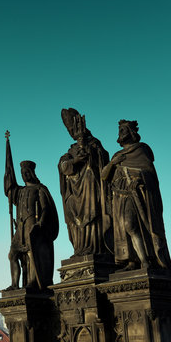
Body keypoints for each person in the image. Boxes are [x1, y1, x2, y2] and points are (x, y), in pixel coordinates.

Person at [102, 120, 171, 271]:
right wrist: (112, 163)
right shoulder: (117, 155)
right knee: (123, 229)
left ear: (131, 133)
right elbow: (104, 176)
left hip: (135, 195)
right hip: (119, 197)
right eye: (119, 131)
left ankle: (146, 261)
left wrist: (139, 179)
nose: (120, 134)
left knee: (131, 225)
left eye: (123, 130)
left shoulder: (142, 150)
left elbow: (149, 172)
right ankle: (132, 261)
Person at [58, 108, 111, 256]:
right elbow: (63, 167)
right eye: (69, 129)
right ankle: (80, 248)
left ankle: (95, 248)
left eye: (73, 127)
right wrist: (73, 161)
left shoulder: (95, 144)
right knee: (75, 220)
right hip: (75, 194)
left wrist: (87, 150)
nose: (71, 131)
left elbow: (102, 160)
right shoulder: (70, 151)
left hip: (91, 190)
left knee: (92, 217)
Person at [4, 159, 59, 291]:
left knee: (32, 254)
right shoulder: (20, 191)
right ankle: (14, 284)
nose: (24, 176)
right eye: (22, 173)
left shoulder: (40, 189)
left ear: (32, 173)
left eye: (26, 173)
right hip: (21, 228)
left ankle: (33, 282)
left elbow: (46, 208)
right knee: (13, 254)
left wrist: (41, 222)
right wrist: (9, 174)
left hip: (32, 226)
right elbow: (9, 190)